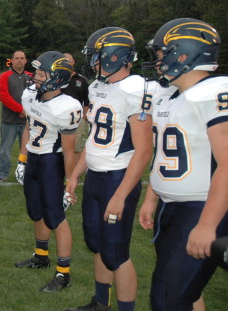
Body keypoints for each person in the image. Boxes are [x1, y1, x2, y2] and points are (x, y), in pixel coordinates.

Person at [138, 18, 228, 311]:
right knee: (182, 293)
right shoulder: (173, 95)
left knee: (169, 298)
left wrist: (207, 224)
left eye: (162, 54)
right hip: (172, 205)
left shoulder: (213, 91)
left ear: (184, 54)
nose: (158, 62)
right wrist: (152, 197)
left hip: (200, 208)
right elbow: (165, 155)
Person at [65, 27, 153, 311]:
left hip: (118, 177)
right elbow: (93, 139)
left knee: (117, 253)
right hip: (95, 176)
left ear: (115, 56)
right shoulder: (97, 86)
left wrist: (121, 194)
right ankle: (100, 303)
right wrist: (76, 173)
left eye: (98, 56)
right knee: (97, 243)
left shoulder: (136, 88)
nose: (94, 62)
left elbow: (143, 151)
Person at [14, 51, 81, 293]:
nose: (36, 77)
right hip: (33, 159)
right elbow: (28, 127)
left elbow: (70, 149)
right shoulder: (31, 96)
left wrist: (69, 182)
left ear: (57, 78)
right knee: (35, 210)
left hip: (52, 162)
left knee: (57, 217)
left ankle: (63, 273)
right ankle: (41, 256)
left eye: (42, 74)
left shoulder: (67, 106)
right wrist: (22, 159)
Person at [0, 50, 30, 182]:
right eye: (17, 58)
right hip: (9, 120)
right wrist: (20, 110)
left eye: (22, 58)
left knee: (28, 149)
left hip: (27, 122)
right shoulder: (5, 76)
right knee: (5, 150)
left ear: (26, 60)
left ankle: (27, 173)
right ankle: (2, 174)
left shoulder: (31, 76)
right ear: (12, 60)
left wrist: (27, 112)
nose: (19, 60)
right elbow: (4, 96)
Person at [61, 52, 90, 156]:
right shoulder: (57, 78)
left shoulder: (81, 80)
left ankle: (73, 172)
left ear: (73, 62)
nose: (67, 62)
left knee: (75, 148)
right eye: (64, 60)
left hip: (77, 119)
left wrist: (84, 117)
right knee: (58, 147)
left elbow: (87, 101)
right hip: (58, 118)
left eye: (69, 60)